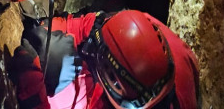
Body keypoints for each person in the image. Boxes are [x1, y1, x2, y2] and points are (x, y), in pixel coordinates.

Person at [12, 8, 200, 109]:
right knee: (54, 54)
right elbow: (97, 25)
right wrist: (58, 27)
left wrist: (33, 99)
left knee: (55, 73)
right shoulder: (138, 28)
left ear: (115, 86)